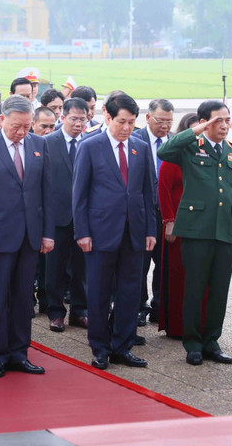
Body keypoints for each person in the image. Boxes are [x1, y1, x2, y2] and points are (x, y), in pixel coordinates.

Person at [0, 95, 54, 378]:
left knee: (23, 299)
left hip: (29, 236)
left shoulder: (39, 145)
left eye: (27, 126)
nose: (22, 132)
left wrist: (47, 233)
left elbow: (46, 192)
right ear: (1, 119)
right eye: (16, 126)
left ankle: (20, 353)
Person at [157, 100, 232, 366]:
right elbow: (164, 151)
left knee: (219, 291)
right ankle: (193, 343)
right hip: (196, 230)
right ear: (204, 122)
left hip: (226, 230)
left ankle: (211, 342)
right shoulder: (189, 147)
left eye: (227, 120)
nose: (224, 125)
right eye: (218, 120)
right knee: (195, 289)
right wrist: (195, 131)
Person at [72, 93, 157, 370]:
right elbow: (80, 194)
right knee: (98, 292)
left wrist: (150, 229)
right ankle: (100, 348)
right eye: (121, 122)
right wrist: (82, 232)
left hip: (134, 232)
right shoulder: (90, 146)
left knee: (130, 292)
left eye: (131, 122)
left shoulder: (140, 147)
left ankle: (123, 346)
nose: (127, 128)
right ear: (107, 117)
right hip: (100, 232)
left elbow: (148, 192)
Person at [42, 97, 90, 333]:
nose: (79, 124)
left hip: (84, 218)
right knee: (55, 268)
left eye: (83, 119)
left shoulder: (91, 143)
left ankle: (80, 311)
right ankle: (55, 312)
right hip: (56, 216)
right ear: (62, 117)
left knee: (83, 268)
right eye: (74, 119)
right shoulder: (47, 143)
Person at [132, 98, 175, 326]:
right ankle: (140, 306)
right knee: (140, 263)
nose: (165, 126)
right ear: (148, 117)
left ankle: (161, 307)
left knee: (164, 263)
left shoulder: (175, 142)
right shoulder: (135, 140)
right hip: (142, 212)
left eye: (169, 121)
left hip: (167, 213)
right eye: (160, 121)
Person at [157, 113, 199, 339]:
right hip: (178, 225)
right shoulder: (175, 155)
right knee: (178, 276)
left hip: (200, 225)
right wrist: (169, 221)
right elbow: (163, 189)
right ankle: (177, 325)